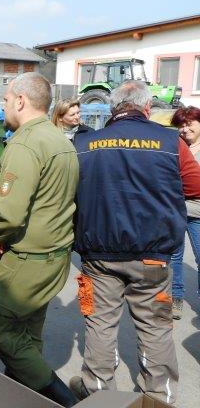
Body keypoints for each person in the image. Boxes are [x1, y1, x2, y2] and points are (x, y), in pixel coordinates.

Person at [69, 81, 200, 405]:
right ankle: (159, 396)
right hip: (153, 257)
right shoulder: (171, 141)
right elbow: (195, 185)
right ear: (146, 109)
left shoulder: (85, 142)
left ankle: (97, 390)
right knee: (156, 327)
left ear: (114, 109)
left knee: (97, 321)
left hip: (96, 257)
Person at [0, 72, 79, 407]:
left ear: (20, 101)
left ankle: (65, 401)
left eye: (6, 99)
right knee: (29, 336)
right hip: (54, 257)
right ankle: (23, 398)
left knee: (4, 337)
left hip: (28, 262)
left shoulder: (25, 143)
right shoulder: (60, 139)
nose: (4, 105)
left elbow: (10, 215)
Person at [170, 106, 200, 320]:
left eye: (189, 123)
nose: (184, 129)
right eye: (180, 125)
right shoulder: (176, 146)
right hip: (177, 210)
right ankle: (176, 298)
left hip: (198, 212)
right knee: (174, 257)